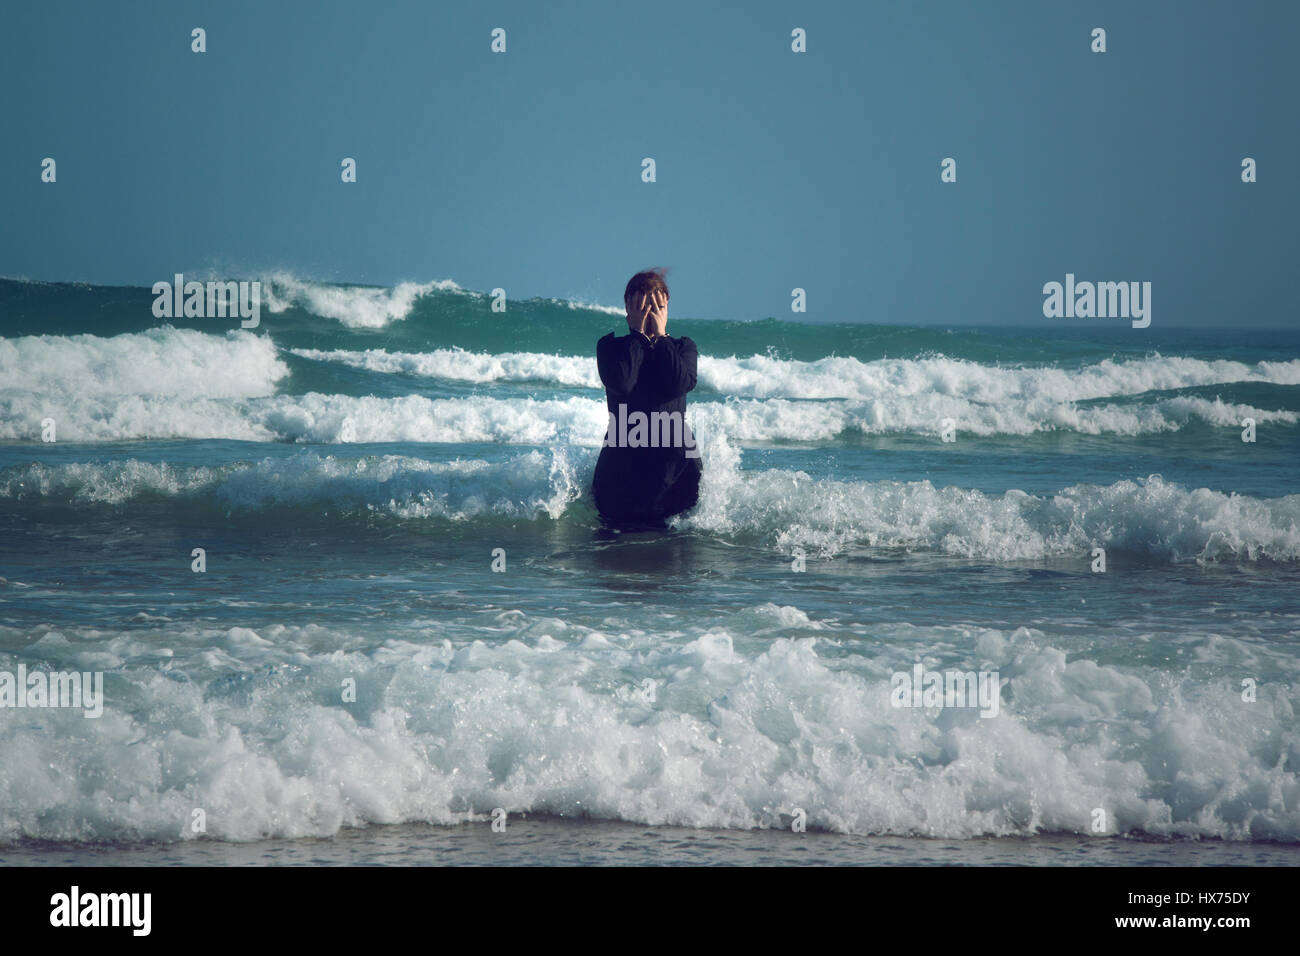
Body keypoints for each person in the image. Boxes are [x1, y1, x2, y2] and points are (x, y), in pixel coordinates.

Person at [592, 269, 702, 528]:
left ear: (667, 308)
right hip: (623, 462)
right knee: (615, 543)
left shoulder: (683, 347)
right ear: (628, 307)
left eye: (657, 307)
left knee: (675, 548)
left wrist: (661, 338)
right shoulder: (610, 348)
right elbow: (622, 382)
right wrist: (638, 337)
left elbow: (679, 385)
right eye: (643, 307)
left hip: (674, 466)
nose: (650, 314)